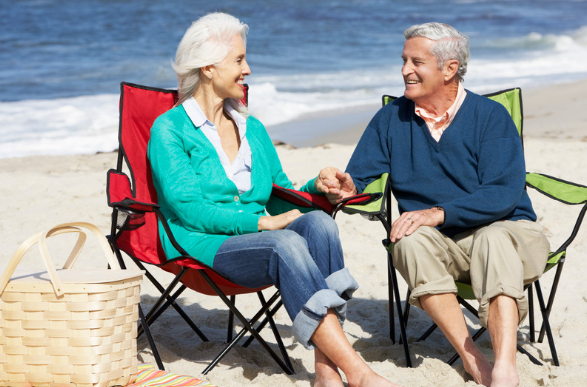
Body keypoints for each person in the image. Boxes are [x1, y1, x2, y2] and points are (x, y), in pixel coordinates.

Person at [147, 12, 401, 387]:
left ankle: (326, 374)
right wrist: (261, 223)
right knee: (284, 243)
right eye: (238, 60)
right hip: (202, 243)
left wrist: (318, 187)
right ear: (207, 68)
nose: (247, 68)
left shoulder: (253, 128)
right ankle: (359, 373)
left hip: (256, 238)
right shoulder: (170, 130)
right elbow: (189, 210)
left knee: (319, 223)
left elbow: (281, 194)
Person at [317, 22, 550, 387]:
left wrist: (437, 213)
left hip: (511, 235)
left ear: (450, 69)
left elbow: (503, 193)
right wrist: (344, 188)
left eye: (416, 62)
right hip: (443, 245)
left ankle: (505, 366)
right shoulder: (390, 119)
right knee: (406, 239)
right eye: (404, 60)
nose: (405, 70)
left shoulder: (490, 117)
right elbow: (359, 182)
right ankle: (473, 358)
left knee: (493, 238)